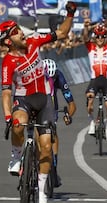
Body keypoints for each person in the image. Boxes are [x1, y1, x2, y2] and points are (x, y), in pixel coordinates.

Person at [0, 2, 77, 202]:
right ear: (8, 42)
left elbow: (62, 34)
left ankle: (41, 192)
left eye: (19, 29)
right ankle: (16, 156)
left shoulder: (34, 41)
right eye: (15, 32)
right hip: (23, 100)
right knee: (17, 124)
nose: (21, 33)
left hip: (44, 100)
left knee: (47, 146)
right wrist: (7, 116)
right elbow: (6, 93)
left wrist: (70, 14)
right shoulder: (8, 63)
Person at [43, 58, 76, 188]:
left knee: (53, 131)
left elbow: (72, 103)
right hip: (38, 102)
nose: (52, 80)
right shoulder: (37, 76)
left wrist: (69, 115)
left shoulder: (59, 76)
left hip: (52, 106)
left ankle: (54, 166)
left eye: (53, 78)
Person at [83, 17, 107, 141]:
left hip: (106, 80)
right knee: (90, 99)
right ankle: (92, 122)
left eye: (102, 36)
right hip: (95, 79)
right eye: (97, 36)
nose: (100, 39)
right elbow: (85, 37)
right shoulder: (91, 47)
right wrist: (86, 27)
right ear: (95, 37)